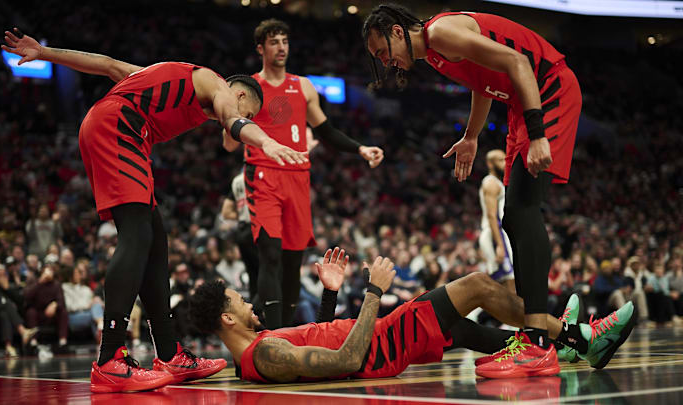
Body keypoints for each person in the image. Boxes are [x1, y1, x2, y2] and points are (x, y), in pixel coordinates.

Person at [2, 27, 308, 393]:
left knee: (154, 242)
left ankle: (169, 352)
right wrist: (267, 141)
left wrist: (46, 54)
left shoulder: (168, 78)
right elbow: (234, 120)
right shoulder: (220, 88)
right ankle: (110, 358)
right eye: (251, 110)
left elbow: (106, 64)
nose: (247, 116)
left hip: (122, 132)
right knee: (137, 237)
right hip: (119, 129)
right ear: (240, 93)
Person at [362, 4, 582, 377]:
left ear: (397, 31)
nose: (386, 62)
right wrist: (471, 136)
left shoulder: (441, 33)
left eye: (382, 52)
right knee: (514, 217)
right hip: (520, 104)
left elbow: (518, 62)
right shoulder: (434, 55)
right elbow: (484, 83)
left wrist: (539, 133)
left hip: (546, 91)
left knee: (523, 210)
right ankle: (537, 335)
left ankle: (537, 343)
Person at [189, 246, 635, 382]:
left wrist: (331, 294)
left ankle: (556, 344)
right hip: (379, 347)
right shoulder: (263, 355)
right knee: (478, 284)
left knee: (457, 326)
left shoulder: (262, 347)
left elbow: (318, 337)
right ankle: (578, 337)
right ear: (227, 319)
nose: (247, 301)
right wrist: (372, 293)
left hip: (379, 339)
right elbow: (344, 362)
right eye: (238, 300)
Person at [222, 19, 385, 329]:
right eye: (273, 42)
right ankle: (271, 335)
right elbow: (229, 143)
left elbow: (325, 130)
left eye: (284, 40)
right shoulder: (249, 89)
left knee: (292, 263)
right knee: (270, 256)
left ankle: (286, 333)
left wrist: (360, 149)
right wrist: (229, 120)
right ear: (261, 48)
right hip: (263, 176)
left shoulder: (304, 87)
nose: (281, 47)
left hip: (298, 178)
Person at [220, 170, 259, 304]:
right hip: (258, 228)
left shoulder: (237, 180)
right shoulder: (262, 174)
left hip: (243, 231)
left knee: (253, 274)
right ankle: (267, 314)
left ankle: (256, 313)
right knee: (268, 273)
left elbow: (225, 212)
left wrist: (242, 216)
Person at [478, 150, 514, 291]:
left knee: (503, 286)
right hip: (495, 234)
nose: (505, 163)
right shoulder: (491, 183)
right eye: (500, 160)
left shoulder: (497, 183)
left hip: (499, 234)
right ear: (490, 164)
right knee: (509, 286)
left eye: (505, 159)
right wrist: (499, 245)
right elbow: (492, 216)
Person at [0, 264, 38, 357]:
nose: (2, 277)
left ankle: (9, 346)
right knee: (6, 306)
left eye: (4, 275)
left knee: (5, 314)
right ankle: (23, 331)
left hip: (8, 318)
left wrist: (7, 289)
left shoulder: (10, 286)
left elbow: (21, 301)